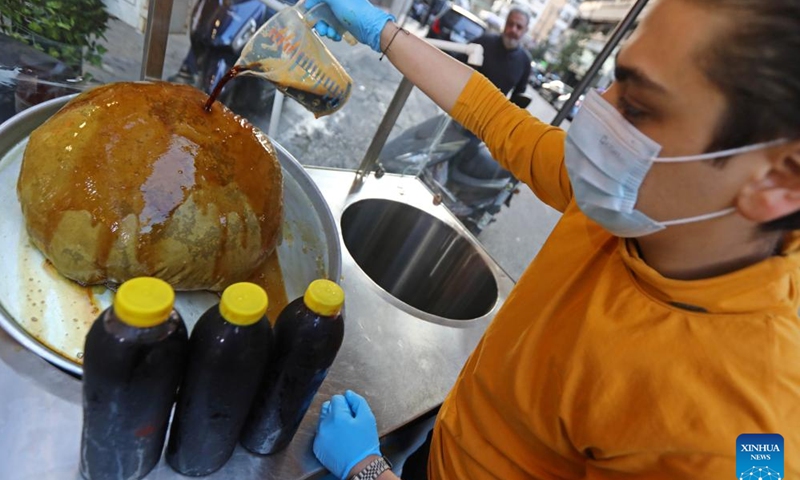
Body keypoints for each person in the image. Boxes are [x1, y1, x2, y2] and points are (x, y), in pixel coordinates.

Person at [309, 0, 800, 478]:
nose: (594, 115)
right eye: (613, 82)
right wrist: (381, 31)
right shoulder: (634, 201)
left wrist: (367, 470)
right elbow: (497, 119)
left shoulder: (734, 436)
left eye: (637, 106)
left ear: (781, 181)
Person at [463, 7, 532, 98]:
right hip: (465, 100)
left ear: (525, 30)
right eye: (510, 24)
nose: (513, 30)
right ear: (505, 24)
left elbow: (518, 95)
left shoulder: (525, 61)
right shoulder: (484, 42)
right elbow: (459, 64)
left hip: (491, 110)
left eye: (519, 27)